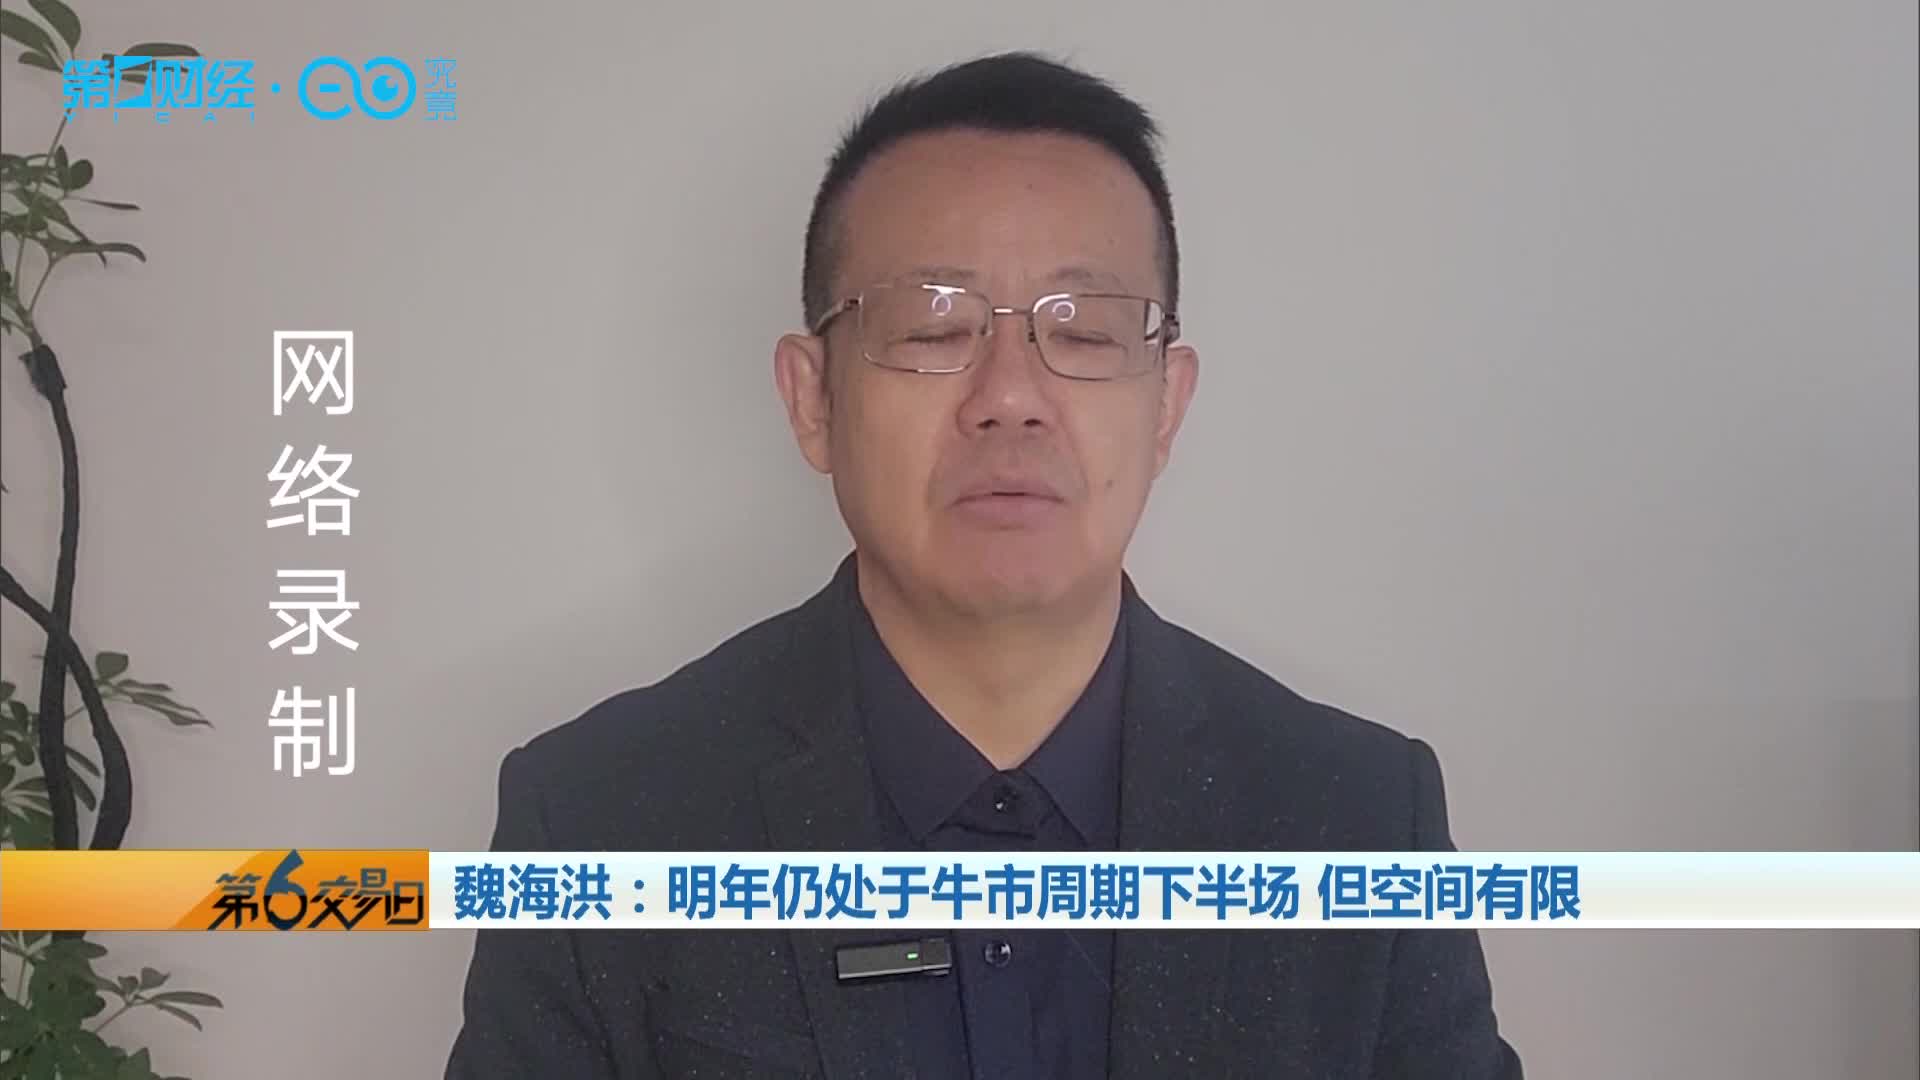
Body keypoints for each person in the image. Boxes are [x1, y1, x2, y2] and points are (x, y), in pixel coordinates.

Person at [446, 50, 1523, 1079]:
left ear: (1166, 405)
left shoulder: (1358, 820)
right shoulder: (598, 822)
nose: (1010, 396)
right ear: (812, 399)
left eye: (1086, 330)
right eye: (932, 327)